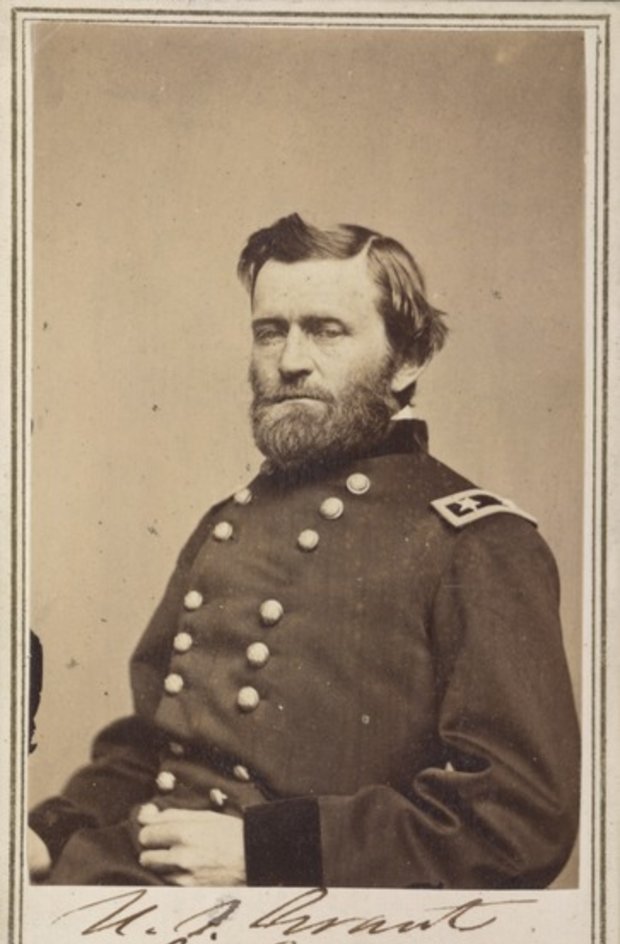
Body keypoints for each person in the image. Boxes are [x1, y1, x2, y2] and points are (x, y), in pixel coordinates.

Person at [28, 213, 580, 888]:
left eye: (326, 330)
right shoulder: (226, 520)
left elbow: (519, 819)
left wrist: (269, 852)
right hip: (130, 884)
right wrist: (50, 834)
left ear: (407, 360)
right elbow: (155, 745)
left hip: (301, 919)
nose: (290, 361)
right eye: (270, 331)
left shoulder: (477, 543)